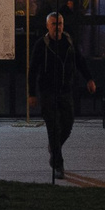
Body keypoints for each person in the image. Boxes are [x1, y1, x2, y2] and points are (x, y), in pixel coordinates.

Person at [29, 10, 96, 173]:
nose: (57, 27)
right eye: (54, 24)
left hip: (66, 89)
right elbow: (32, 70)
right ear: (47, 26)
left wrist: (89, 79)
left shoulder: (69, 42)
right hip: (48, 91)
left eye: (59, 24)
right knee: (53, 127)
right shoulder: (41, 45)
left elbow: (80, 61)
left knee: (67, 125)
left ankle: (54, 147)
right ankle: (58, 164)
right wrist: (31, 93)